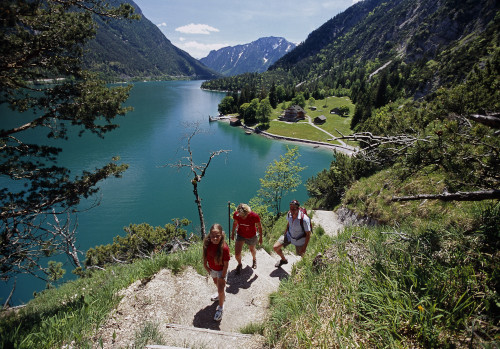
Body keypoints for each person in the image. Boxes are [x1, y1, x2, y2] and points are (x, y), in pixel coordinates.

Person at [203, 223, 230, 321]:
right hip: (212, 269)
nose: (215, 238)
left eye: (217, 236)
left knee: (220, 288)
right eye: (213, 236)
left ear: (221, 235)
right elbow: (205, 255)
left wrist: (222, 277)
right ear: (210, 235)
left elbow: (226, 264)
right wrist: (205, 266)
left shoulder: (224, 248)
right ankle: (221, 295)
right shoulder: (207, 243)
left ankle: (221, 307)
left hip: (221, 271)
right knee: (215, 283)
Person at [273, 199, 311, 267]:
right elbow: (289, 223)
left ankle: (305, 268)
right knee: (275, 247)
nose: (291, 210)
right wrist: (285, 232)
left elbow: (308, 234)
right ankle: (284, 260)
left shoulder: (304, 219)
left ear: (298, 208)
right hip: (289, 236)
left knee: (302, 256)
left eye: (293, 209)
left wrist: (304, 247)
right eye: (290, 208)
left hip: (299, 240)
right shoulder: (289, 214)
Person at [231, 203, 263, 274]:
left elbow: (259, 226)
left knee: (252, 249)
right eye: (240, 215)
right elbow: (235, 223)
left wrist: (261, 237)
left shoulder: (254, 216)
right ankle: (239, 264)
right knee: (237, 254)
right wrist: (232, 233)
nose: (241, 217)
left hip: (251, 235)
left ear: (247, 213)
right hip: (241, 234)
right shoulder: (237, 214)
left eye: (243, 215)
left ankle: (254, 259)